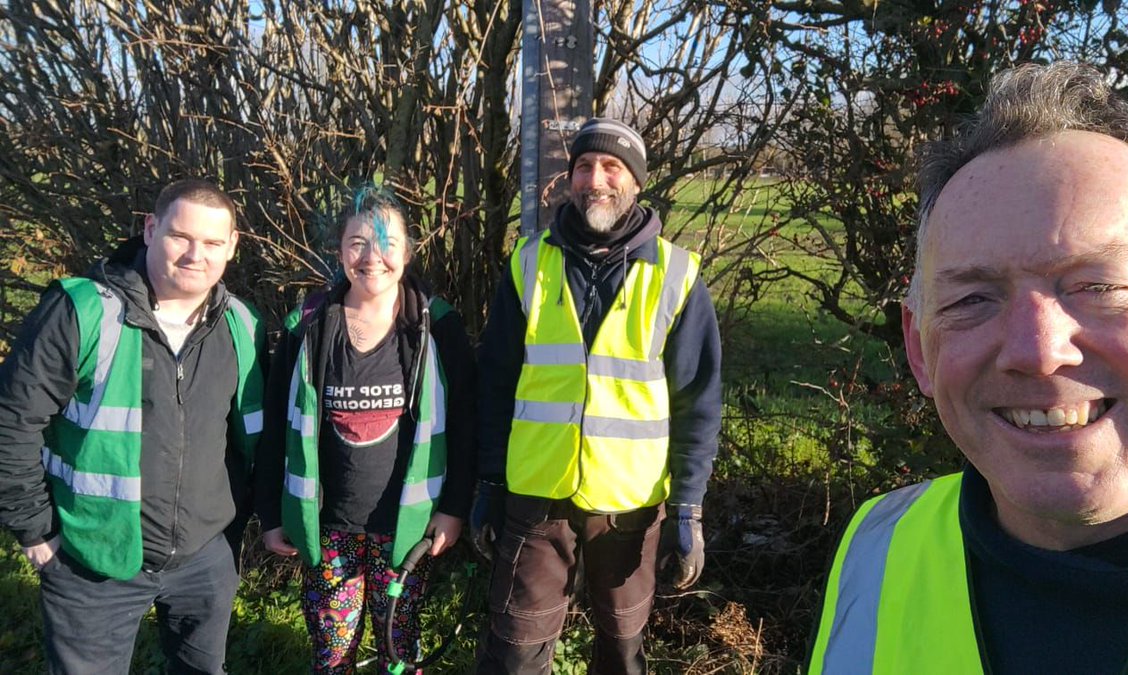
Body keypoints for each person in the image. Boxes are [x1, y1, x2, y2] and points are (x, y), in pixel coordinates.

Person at [808, 61, 1128, 674]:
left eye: (1099, 286)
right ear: (920, 350)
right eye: (971, 300)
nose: (1038, 350)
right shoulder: (878, 547)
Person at [472, 117, 723, 673]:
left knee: (622, 651)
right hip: (536, 495)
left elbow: (698, 403)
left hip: (629, 506)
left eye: (612, 166)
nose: (596, 179)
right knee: (514, 651)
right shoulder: (528, 264)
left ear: (635, 182)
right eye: (584, 166)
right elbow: (494, 383)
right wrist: (488, 480)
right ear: (570, 178)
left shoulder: (676, 275)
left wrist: (688, 504)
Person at [0, 178, 265, 673]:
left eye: (212, 242)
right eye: (180, 237)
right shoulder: (82, 311)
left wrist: (234, 529)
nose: (195, 255)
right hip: (91, 556)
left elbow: (249, 442)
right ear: (150, 229)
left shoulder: (243, 326)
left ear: (231, 246)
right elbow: (12, 423)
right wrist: (35, 531)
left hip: (204, 558)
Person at [255, 186, 476, 673]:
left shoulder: (435, 326)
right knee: (332, 654)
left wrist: (455, 507)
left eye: (387, 243)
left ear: (408, 252)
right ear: (339, 252)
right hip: (326, 525)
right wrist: (271, 511)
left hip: (406, 525)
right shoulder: (307, 324)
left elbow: (464, 423)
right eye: (357, 243)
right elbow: (276, 427)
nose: (372, 257)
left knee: (399, 650)